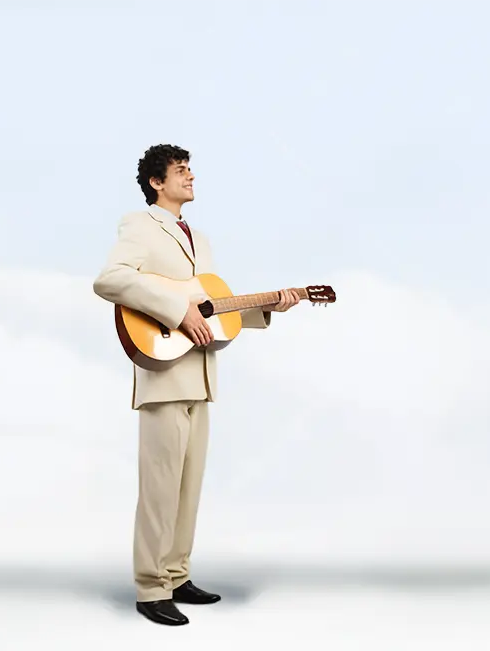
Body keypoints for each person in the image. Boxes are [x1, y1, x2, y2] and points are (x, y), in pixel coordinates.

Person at [92, 144, 301, 626]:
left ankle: (176, 575)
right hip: (163, 374)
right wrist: (174, 310)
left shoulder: (200, 240)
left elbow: (210, 306)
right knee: (160, 488)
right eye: (180, 171)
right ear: (155, 183)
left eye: (191, 170)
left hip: (201, 372)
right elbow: (111, 281)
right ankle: (150, 588)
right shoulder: (139, 226)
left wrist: (269, 306)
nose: (191, 177)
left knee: (188, 487)